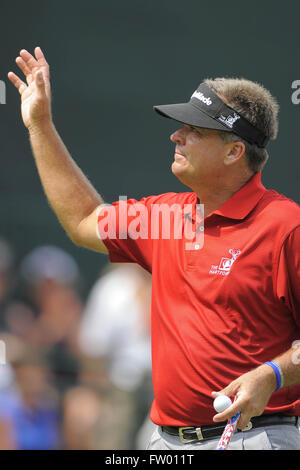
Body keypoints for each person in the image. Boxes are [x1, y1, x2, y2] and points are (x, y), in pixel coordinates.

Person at [8, 47, 300, 450]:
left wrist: (273, 374)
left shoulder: (286, 226)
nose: (176, 135)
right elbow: (83, 220)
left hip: (255, 438)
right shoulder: (165, 215)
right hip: (163, 442)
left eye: (195, 130)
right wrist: (40, 125)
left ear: (234, 152)